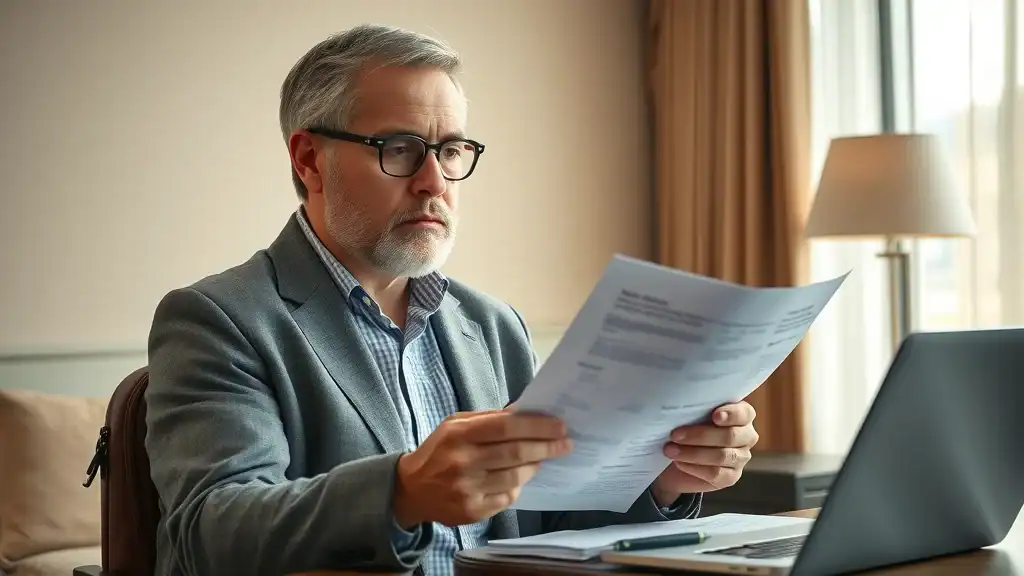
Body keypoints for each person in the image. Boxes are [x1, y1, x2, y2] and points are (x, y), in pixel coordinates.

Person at [143, 24, 760, 576]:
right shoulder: (221, 318)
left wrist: (667, 477)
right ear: (309, 159)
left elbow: (547, 528)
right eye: (400, 149)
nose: (434, 181)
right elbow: (212, 532)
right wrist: (402, 492)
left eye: (451, 150)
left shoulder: (491, 325)